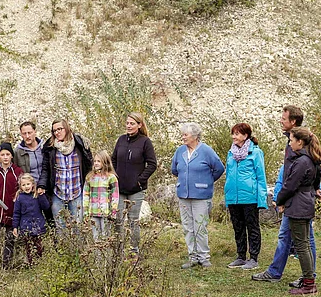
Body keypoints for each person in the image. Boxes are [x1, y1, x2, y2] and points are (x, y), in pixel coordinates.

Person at [252, 105, 320, 285]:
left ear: (293, 122)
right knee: (300, 238)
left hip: (296, 201)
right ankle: (304, 275)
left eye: (283, 119)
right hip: (298, 199)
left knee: (301, 240)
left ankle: (305, 277)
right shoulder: (296, 143)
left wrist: (280, 199)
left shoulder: (299, 146)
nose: (280, 121)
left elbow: (294, 177)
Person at [273, 126, 321, 295]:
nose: (289, 143)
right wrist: (315, 189)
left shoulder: (302, 162)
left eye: (291, 140)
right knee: (305, 243)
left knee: (301, 245)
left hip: (298, 205)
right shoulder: (313, 158)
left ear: (300, 142)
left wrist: (279, 200)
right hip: (306, 202)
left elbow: (290, 185)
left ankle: (309, 284)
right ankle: (308, 280)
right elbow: (317, 179)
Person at [170, 122, 225, 269]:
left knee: (200, 226)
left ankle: (204, 257)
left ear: (195, 136)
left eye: (185, 135)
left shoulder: (206, 151)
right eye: (182, 134)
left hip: (201, 195)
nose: (183, 137)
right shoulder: (180, 151)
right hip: (183, 195)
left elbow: (219, 168)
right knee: (188, 227)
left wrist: (206, 181)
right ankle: (192, 257)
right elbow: (174, 169)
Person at [223, 122, 268, 270]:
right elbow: (228, 175)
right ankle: (241, 256)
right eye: (233, 133)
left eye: (237, 134)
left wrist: (261, 199)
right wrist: (227, 193)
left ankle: (253, 258)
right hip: (233, 197)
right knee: (238, 227)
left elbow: (261, 177)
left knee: (252, 227)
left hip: (250, 197)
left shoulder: (256, 153)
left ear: (245, 135)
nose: (233, 136)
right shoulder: (230, 153)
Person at [112, 112, 157, 253]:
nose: (129, 126)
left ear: (139, 125)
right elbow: (113, 159)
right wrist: (114, 176)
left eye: (132, 123)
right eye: (127, 123)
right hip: (120, 188)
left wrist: (140, 180)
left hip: (136, 190)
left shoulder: (145, 142)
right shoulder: (121, 140)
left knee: (133, 220)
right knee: (118, 220)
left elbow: (152, 164)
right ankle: (118, 250)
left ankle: (134, 250)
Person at [43, 118, 93, 230]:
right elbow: (46, 169)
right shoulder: (51, 148)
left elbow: (89, 164)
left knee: (78, 227)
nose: (57, 132)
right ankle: (62, 242)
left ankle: (77, 243)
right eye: (54, 130)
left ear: (66, 128)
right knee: (60, 227)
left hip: (76, 192)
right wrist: (42, 185)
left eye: (60, 129)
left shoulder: (79, 144)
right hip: (58, 193)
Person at [11, 174, 49, 265]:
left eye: (28, 184)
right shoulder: (19, 198)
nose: (26, 187)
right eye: (23, 185)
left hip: (39, 226)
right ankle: (32, 264)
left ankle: (40, 264)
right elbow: (16, 213)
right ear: (20, 187)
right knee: (29, 247)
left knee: (39, 247)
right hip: (26, 227)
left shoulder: (37, 195)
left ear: (32, 184)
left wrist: (42, 195)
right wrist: (15, 227)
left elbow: (46, 207)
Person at [83, 151, 120, 243]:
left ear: (105, 162)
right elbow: (86, 195)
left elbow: (115, 195)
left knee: (106, 237)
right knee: (96, 238)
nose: (96, 163)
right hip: (93, 212)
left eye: (99, 161)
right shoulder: (90, 177)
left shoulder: (111, 177)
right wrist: (85, 211)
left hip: (106, 213)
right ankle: (97, 253)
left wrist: (113, 211)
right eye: (95, 161)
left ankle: (107, 253)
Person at [13, 121, 49, 197]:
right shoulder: (17, 152)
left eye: (29, 133)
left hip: (47, 189)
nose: (27, 136)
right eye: (24, 133)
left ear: (35, 132)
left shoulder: (45, 147)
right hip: (29, 192)